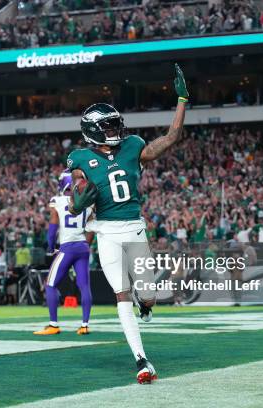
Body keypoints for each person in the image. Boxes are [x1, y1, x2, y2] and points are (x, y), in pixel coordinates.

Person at [67, 64, 189, 384]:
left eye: (114, 123)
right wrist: (77, 203)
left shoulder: (133, 146)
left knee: (147, 295)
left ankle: (145, 304)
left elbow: (172, 137)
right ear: (92, 130)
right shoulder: (80, 159)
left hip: (134, 228)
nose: (114, 129)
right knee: (121, 294)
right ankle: (141, 360)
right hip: (106, 231)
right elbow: (74, 198)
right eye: (107, 125)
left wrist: (182, 99)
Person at [34, 170, 93, 336]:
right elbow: (91, 230)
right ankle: (84, 325)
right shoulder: (88, 203)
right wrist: (85, 245)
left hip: (67, 247)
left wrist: (52, 247)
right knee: (84, 286)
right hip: (83, 247)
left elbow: (52, 230)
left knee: (50, 284)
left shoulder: (57, 201)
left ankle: (53, 324)